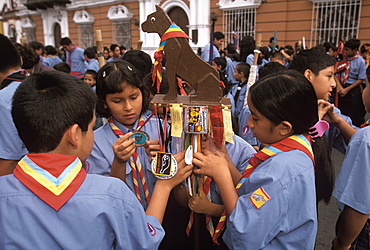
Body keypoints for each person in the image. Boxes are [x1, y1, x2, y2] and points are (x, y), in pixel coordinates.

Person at [0, 70, 192, 249]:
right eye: (91, 127)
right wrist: (164, 186)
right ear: (75, 135)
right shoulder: (112, 194)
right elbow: (144, 242)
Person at [193, 70, 329, 249]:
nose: (248, 123)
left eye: (255, 118)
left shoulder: (282, 170)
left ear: (284, 127)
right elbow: (249, 192)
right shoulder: (291, 151)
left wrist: (222, 176)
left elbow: (245, 231)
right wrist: (225, 158)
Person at [87, 60, 162, 210]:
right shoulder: (94, 143)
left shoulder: (162, 128)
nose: (128, 107)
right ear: (104, 102)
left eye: (134, 97)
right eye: (117, 101)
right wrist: (119, 163)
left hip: (166, 216)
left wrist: (162, 161)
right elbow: (106, 197)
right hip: (124, 218)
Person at [331, 73, 370, 250]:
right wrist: (338, 121)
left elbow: (359, 206)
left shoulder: (365, 140)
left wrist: (343, 243)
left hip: (362, 233)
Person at [0, 34, 28, 176]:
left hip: (21, 178)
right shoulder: (41, 83)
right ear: (20, 59)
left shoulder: (4, 99)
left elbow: (9, 159)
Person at [337, 38, 367, 127]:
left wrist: (347, 89)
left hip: (352, 89)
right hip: (341, 88)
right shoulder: (342, 59)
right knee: (341, 112)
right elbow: (336, 72)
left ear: (354, 50)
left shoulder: (360, 61)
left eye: (347, 50)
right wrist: (340, 87)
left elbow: (361, 79)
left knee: (353, 113)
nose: (345, 52)